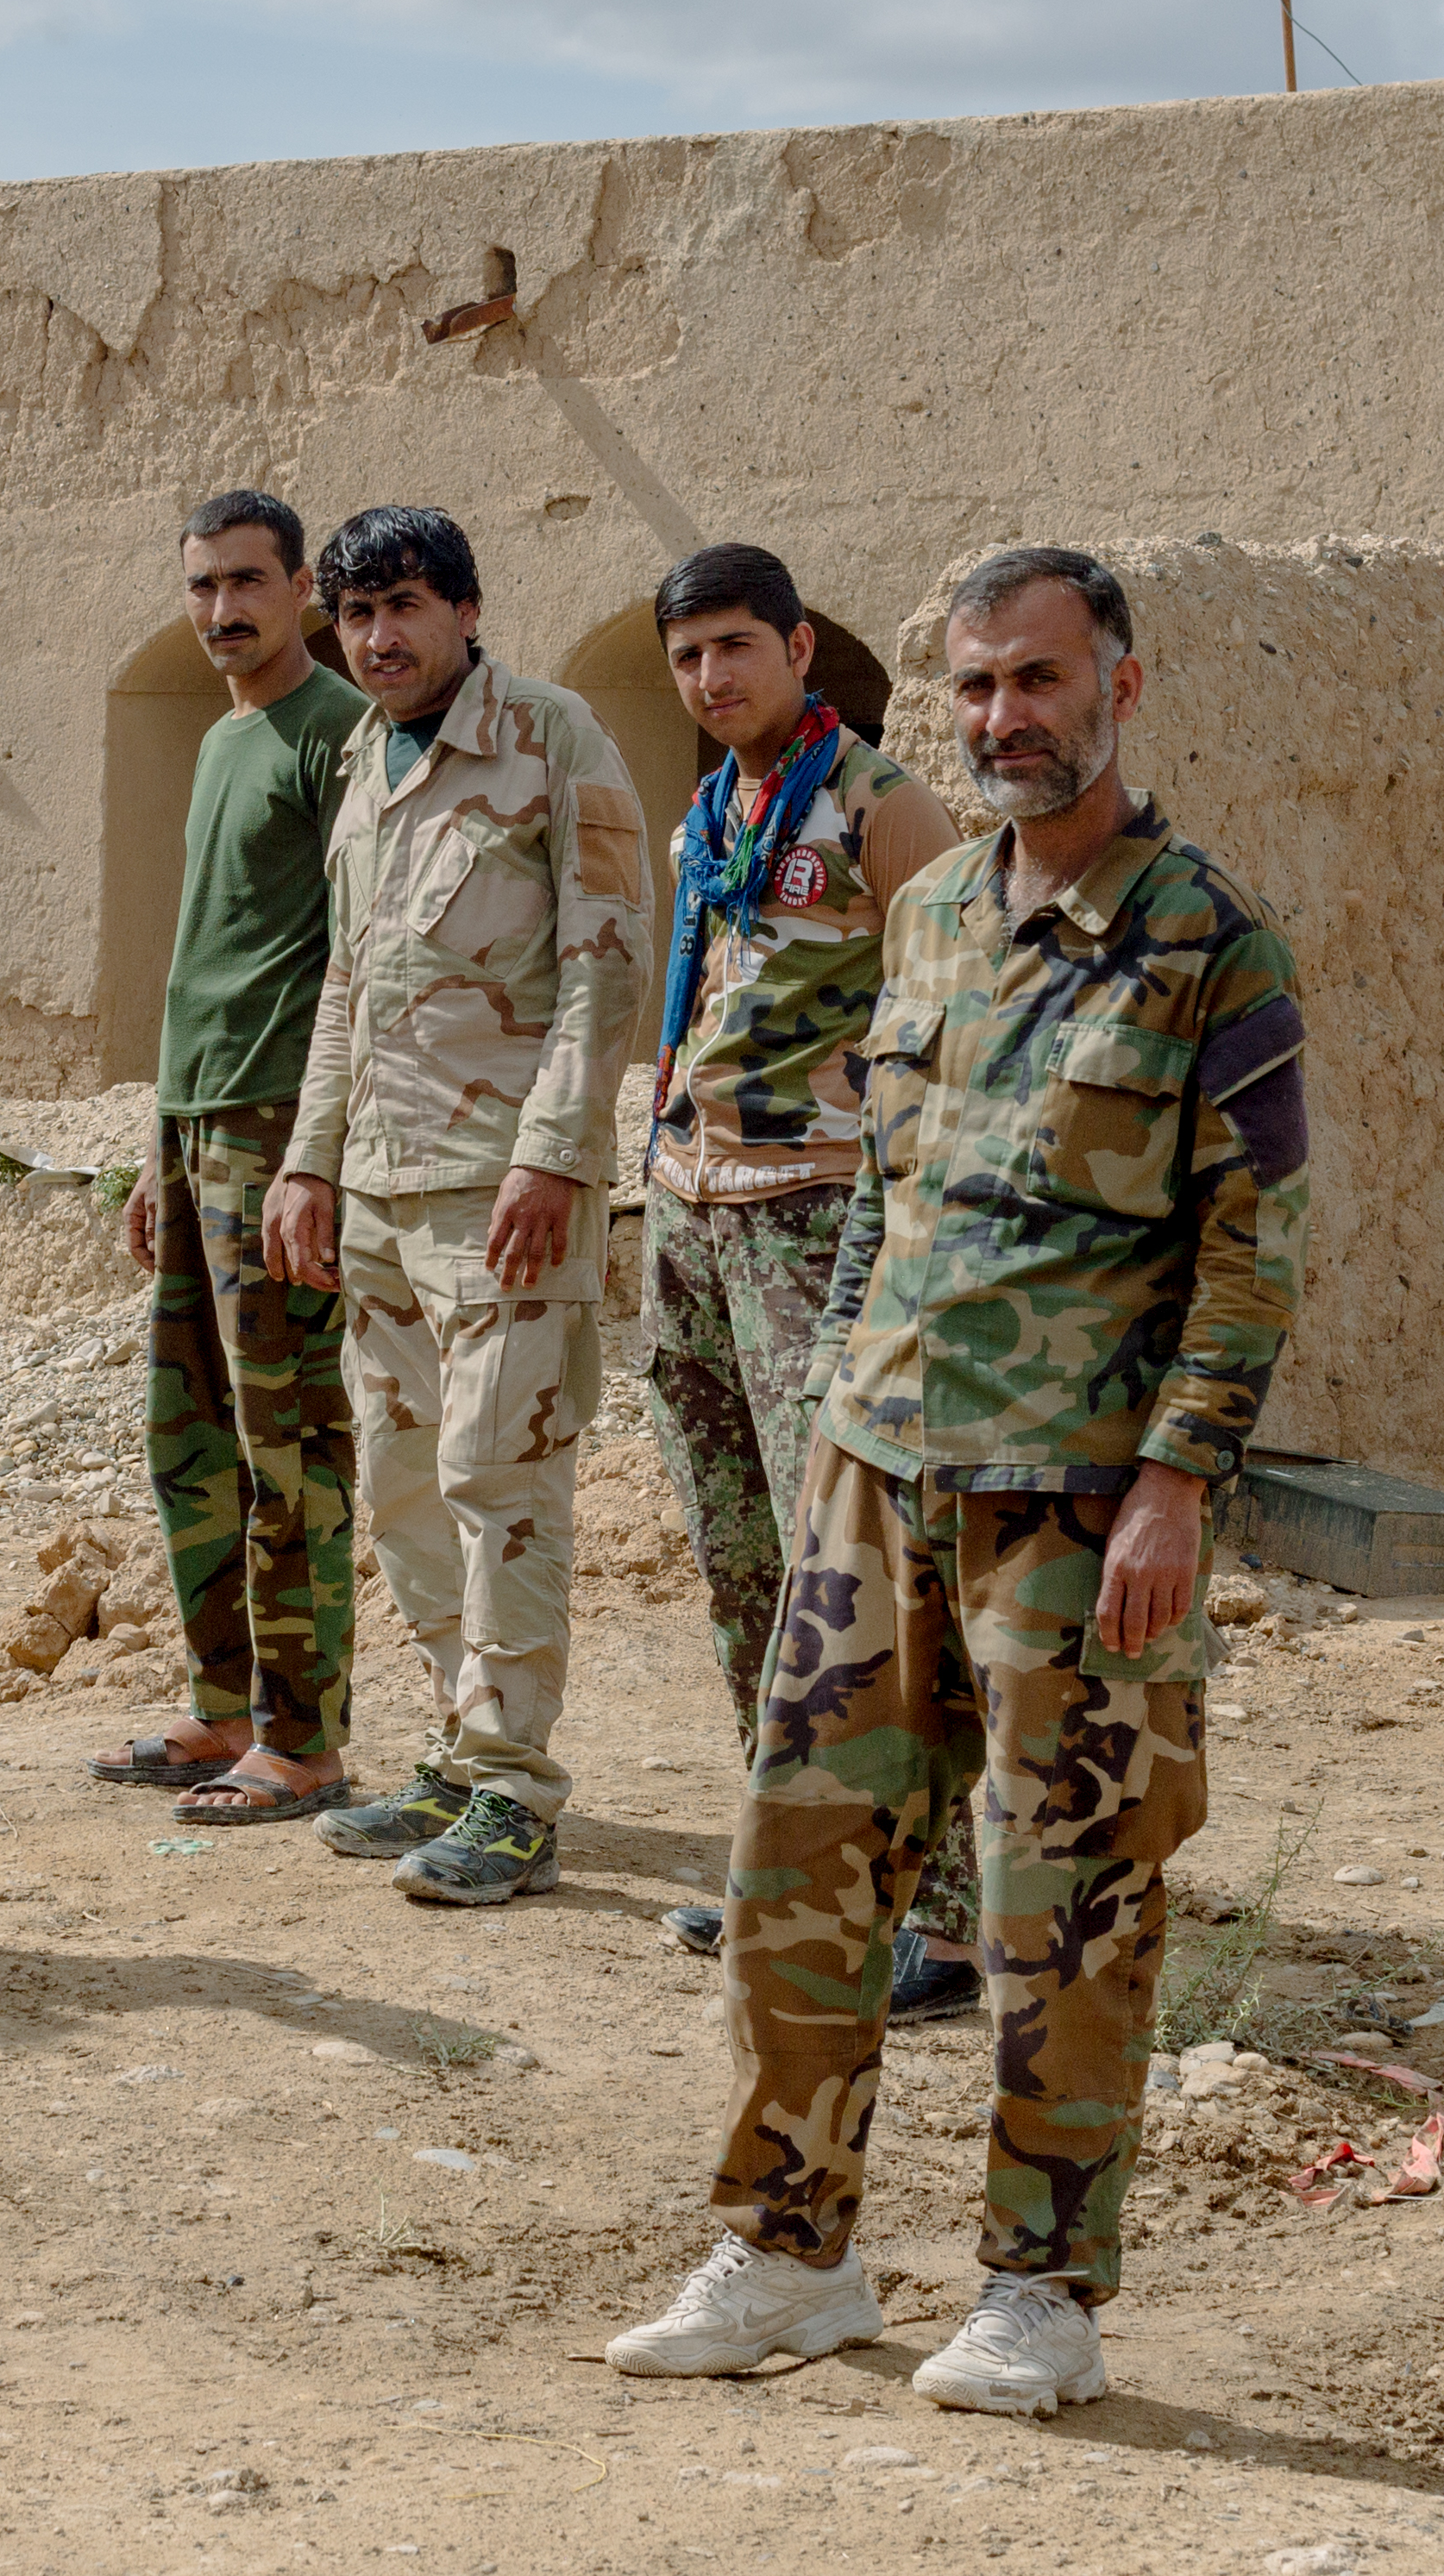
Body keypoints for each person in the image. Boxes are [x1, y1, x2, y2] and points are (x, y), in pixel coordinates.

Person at [607, 544, 1309, 2415]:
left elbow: (1255, 1251)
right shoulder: (923, 927)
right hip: (880, 1478)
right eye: (976, 687)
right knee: (796, 1875)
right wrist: (838, 1393)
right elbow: (881, 1205)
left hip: (1078, 1510)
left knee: (1065, 1898)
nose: (1004, 718)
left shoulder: (1207, 939)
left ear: (1119, 689)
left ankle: (1042, 2293)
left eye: (1038, 681)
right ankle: (788, 2255)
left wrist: (1176, 1485)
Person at [263, 505, 649, 1908]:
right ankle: (455, 1743)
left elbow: (611, 965)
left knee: (505, 1482)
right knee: (404, 1484)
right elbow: (348, 988)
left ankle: (516, 1791)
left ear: (466, 613)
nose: (378, 639)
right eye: (357, 617)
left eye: (406, 608)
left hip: (505, 1192)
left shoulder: (553, 737)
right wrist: (311, 1162)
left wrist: (557, 1157)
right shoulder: (368, 761)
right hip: (380, 1188)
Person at [627, 546, 972, 2024]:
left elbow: (957, 1016)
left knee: (854, 1576)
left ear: (799, 644)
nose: (713, 680)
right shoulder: (719, 808)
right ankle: (799, 1871)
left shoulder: (885, 810)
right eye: (688, 656)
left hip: (822, 1219)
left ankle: (944, 1918)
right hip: (695, 1213)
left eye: (735, 649)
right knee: (742, 1572)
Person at [89, 492, 374, 1828]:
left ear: (304, 587)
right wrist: (158, 1141)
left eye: (248, 582)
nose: (222, 611)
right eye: (202, 586)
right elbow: (200, 960)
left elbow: (354, 962)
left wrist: (314, 1153)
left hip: (278, 1135)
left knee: (289, 1444)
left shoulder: (340, 737)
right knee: (187, 1436)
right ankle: (222, 1709)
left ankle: (304, 1738)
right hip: (198, 1126)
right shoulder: (221, 741)